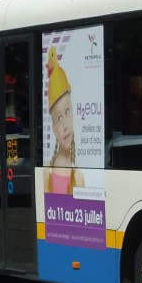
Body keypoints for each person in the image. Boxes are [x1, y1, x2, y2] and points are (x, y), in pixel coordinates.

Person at [45, 47, 84, 195]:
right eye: (59, 118)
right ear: (54, 128)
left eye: (67, 111)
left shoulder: (78, 177)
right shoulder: (47, 173)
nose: (65, 125)